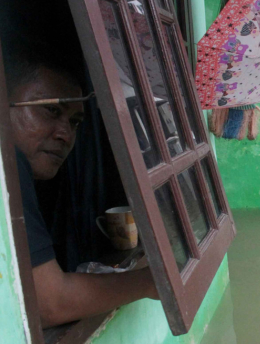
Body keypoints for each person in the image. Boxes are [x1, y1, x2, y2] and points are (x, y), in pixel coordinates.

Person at [6, 42, 158, 328]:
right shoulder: (8, 163)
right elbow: (49, 304)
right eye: (50, 111)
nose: (65, 134)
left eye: (75, 122)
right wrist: (151, 282)